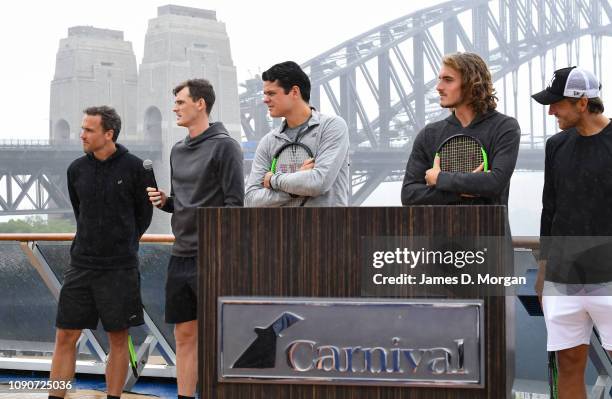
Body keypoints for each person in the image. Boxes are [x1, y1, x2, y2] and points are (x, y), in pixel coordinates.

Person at [146, 79, 244, 399]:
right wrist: (165, 201)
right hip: (180, 254)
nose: (174, 107)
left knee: (218, 338)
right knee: (184, 335)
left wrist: (223, 254)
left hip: (212, 257)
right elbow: (182, 200)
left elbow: (234, 206)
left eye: (180, 102)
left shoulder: (225, 146)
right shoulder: (177, 149)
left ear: (200, 103)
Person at [49, 106, 152, 399]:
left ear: (109, 134)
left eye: (88, 130)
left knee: (117, 339)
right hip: (80, 265)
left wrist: (122, 245)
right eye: (82, 129)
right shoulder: (76, 170)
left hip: (119, 268)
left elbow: (142, 216)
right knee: (65, 335)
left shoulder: (135, 168)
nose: (81, 134)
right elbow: (80, 211)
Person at [532, 66, 612, 399]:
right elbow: (550, 209)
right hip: (563, 278)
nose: (550, 111)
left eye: (557, 103)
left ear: (582, 103)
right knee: (568, 364)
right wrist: (544, 269)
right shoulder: (556, 145)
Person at [401, 52, 520, 205]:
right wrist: (464, 190)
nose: (438, 87)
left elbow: (495, 183)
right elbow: (409, 195)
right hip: (441, 228)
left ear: (472, 84)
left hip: (489, 227)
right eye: (440, 79)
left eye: (448, 80)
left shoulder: (504, 127)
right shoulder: (429, 134)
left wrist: (439, 178)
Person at [244, 61, 350, 206]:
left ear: (294, 92)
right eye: (265, 94)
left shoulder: (332, 127)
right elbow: (251, 200)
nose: (265, 100)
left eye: (272, 93)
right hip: (282, 229)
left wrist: (273, 180)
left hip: (327, 228)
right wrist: (295, 185)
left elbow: (318, 183)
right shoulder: (268, 142)